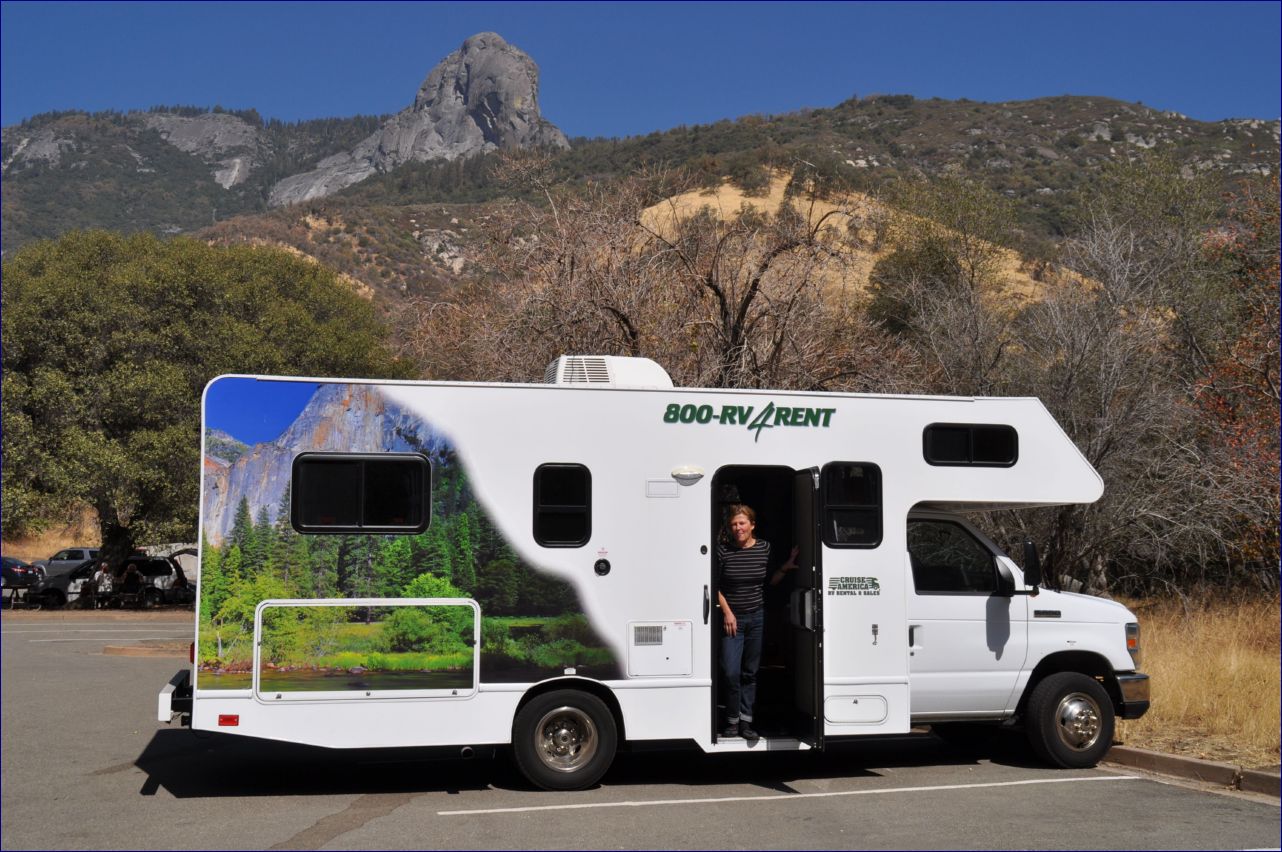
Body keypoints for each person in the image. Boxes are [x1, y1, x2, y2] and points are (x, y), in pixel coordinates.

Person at [717, 503, 797, 741]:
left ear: (752, 525)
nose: (738, 528)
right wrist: (727, 613)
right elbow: (715, 585)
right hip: (733, 619)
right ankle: (731, 720)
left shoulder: (764, 548)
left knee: (750, 673)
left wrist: (785, 567)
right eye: (734, 524)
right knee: (730, 671)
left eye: (742, 523)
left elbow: (769, 580)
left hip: (757, 617)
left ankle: (745, 721)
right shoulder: (723, 551)